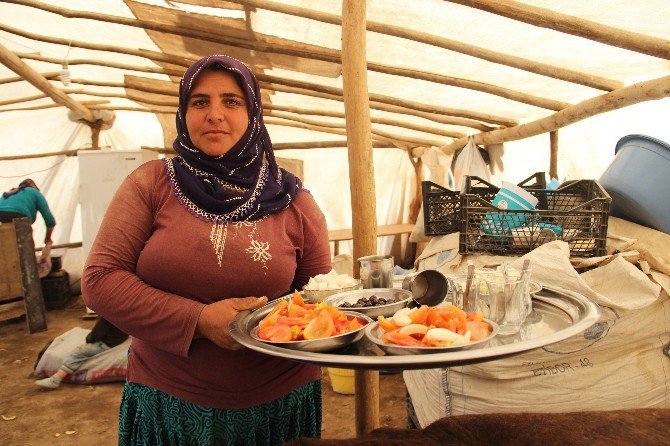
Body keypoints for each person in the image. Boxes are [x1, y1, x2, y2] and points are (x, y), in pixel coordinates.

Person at [82, 55, 331, 445]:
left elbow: (318, 295)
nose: (214, 114)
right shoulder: (150, 184)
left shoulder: (292, 198)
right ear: (183, 114)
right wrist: (199, 320)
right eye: (200, 102)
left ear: (254, 115)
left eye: (231, 102)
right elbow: (100, 280)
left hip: (278, 404)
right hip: (169, 401)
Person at [35, 317, 128, 390]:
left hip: (108, 343)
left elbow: (96, 334)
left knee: (78, 353)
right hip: (120, 338)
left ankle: (56, 379)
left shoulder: (107, 315)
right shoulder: (123, 308)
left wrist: (89, 339)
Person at [0, 178, 56, 245]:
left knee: (8, 242)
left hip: (2, 215)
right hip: (20, 216)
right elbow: (50, 220)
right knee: (25, 246)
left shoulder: (11, 192)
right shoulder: (35, 192)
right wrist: (48, 239)